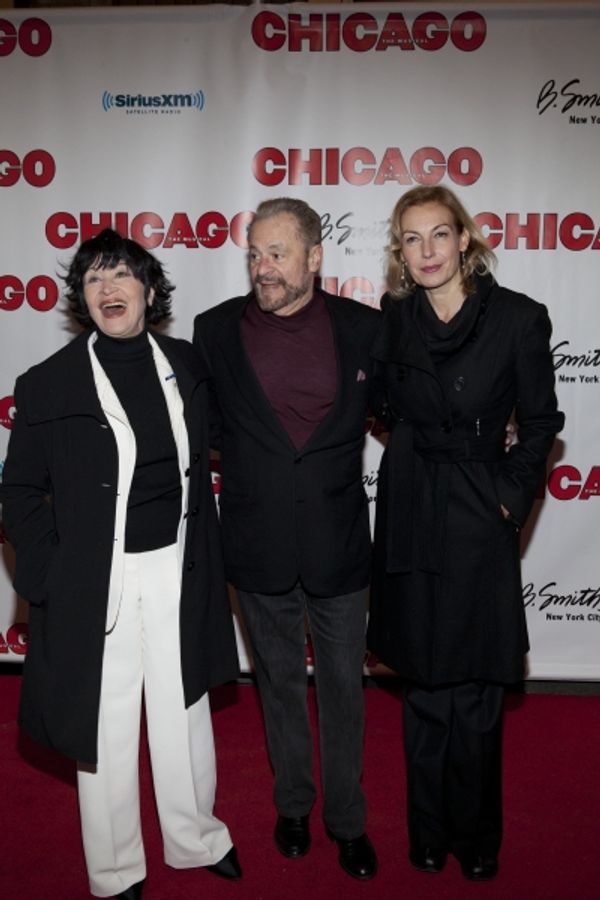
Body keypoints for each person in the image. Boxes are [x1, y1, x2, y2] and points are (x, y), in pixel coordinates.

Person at [0, 229, 242, 899]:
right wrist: (48, 577)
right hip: (95, 579)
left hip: (178, 567)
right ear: (82, 298)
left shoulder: (188, 365)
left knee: (185, 707)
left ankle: (195, 837)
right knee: (103, 722)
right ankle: (115, 868)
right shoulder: (48, 385)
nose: (108, 289)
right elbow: (18, 492)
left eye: (121, 276)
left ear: (148, 289)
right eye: (93, 279)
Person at [367, 186, 564, 882]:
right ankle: (428, 831)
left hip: (481, 505)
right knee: (422, 684)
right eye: (411, 239)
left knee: (478, 689)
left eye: (438, 235)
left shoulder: (517, 318)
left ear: (465, 240)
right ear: (401, 250)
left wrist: (509, 498)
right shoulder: (392, 320)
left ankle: (479, 836)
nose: (426, 251)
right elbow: (381, 406)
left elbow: (541, 421)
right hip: (413, 500)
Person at [193, 198, 380, 880]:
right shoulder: (213, 330)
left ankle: (348, 820)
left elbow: (396, 412)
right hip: (257, 536)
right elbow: (205, 427)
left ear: (315, 257)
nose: (262, 268)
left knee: (343, 692)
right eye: (253, 254)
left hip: (338, 541)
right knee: (277, 686)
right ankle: (294, 805)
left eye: (276, 253)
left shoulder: (366, 328)